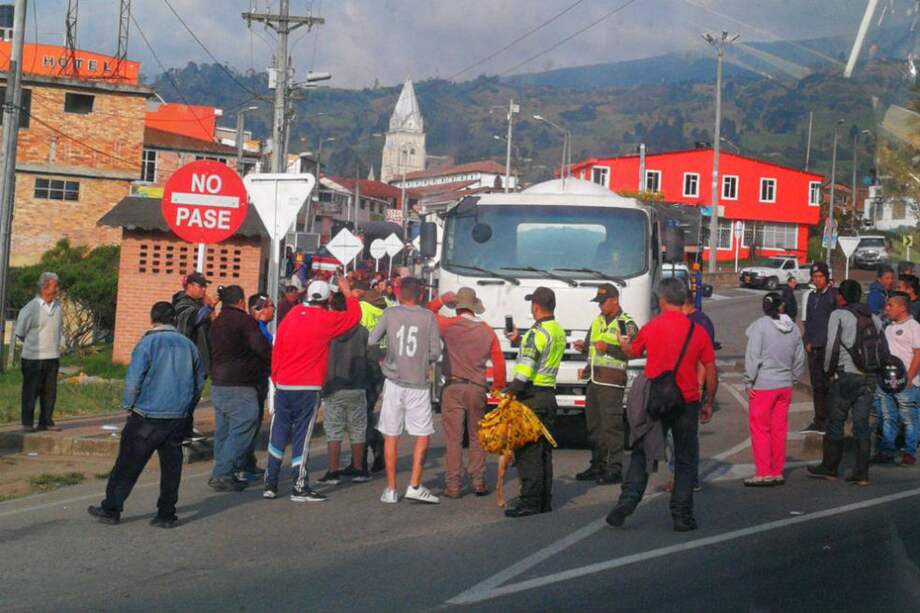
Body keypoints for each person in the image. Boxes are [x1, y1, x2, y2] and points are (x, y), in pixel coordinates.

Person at [606, 278, 717, 533]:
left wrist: (624, 345)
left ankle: (627, 502)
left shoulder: (652, 327)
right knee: (686, 459)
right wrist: (709, 401)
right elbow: (711, 370)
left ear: (662, 300)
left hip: (656, 399)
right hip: (687, 401)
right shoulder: (697, 331)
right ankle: (682, 516)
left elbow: (633, 352)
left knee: (642, 452)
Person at [87, 302, 204, 527]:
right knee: (171, 468)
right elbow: (199, 382)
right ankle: (166, 514)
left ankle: (112, 508)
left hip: (147, 416)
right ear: (174, 320)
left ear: (153, 320)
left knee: (127, 465)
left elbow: (133, 380)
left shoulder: (148, 343)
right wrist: (187, 407)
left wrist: (129, 404)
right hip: (177, 416)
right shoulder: (189, 346)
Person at [266, 277, 361, 502]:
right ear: (327, 300)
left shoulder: (292, 314)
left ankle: (270, 483)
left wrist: (276, 378)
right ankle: (299, 487)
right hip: (308, 387)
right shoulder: (326, 319)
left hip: (284, 383)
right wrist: (349, 294)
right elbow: (354, 316)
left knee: (278, 432)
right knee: (302, 436)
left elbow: (277, 348)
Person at [427, 287, 507, 498]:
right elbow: (499, 362)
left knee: (453, 439)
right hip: (477, 387)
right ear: (474, 307)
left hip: (453, 386)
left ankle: (453, 485)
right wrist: (498, 386)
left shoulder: (448, 325)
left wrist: (441, 300)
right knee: (476, 436)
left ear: (457, 307)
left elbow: (427, 314)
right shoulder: (487, 331)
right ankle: (478, 480)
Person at [369, 277, 442, 504]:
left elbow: (372, 340)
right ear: (420, 295)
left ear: (400, 295)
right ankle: (414, 485)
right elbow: (435, 352)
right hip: (417, 383)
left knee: (391, 434)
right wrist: (421, 360)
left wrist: (385, 358)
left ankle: (391, 489)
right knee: (422, 433)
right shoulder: (428, 317)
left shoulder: (390, 314)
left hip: (393, 381)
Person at [807, 280, 881, 485]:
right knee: (862, 425)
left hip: (846, 375)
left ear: (842, 297)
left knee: (835, 421)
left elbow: (831, 347)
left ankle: (830, 467)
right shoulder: (874, 318)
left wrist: (828, 372)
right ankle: (862, 473)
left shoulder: (839, 315)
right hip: (870, 377)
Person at [504, 287, 567, 518]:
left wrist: (511, 392)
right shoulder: (556, 330)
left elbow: (526, 369)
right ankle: (544, 501)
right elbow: (542, 353)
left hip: (532, 397)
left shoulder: (536, 333)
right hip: (548, 396)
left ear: (536, 307)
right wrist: (519, 340)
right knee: (543, 452)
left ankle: (530, 502)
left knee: (528, 453)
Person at [207, 286, 272, 492]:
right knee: (245, 425)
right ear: (241, 301)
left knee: (224, 431)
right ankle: (223, 472)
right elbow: (261, 347)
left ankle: (225, 469)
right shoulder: (244, 321)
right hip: (240, 383)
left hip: (219, 383)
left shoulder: (217, 322)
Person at [572, 283, 637, 485]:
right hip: (594, 380)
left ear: (615, 300)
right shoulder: (598, 321)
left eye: (603, 302)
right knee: (594, 426)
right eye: (598, 302)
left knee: (612, 427)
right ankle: (597, 464)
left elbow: (632, 352)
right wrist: (583, 348)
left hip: (611, 382)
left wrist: (608, 348)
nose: (600, 306)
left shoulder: (625, 324)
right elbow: (592, 348)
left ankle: (614, 468)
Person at [743, 293, 806, 486]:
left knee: (760, 429)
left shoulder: (760, 326)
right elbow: (800, 358)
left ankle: (763, 472)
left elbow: (753, 356)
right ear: (781, 306)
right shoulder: (793, 328)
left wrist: (748, 381)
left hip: (763, 384)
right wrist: (792, 378)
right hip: (784, 384)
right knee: (779, 429)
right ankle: (777, 471)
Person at [318, 292, 372, 484]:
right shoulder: (362, 331)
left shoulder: (328, 330)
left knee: (334, 430)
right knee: (358, 429)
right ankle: (358, 468)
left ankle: (333, 471)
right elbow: (370, 356)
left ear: (333, 307)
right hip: (358, 385)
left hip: (334, 384)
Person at [875, 292, 920, 465]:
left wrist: (910, 377)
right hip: (887, 382)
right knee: (888, 417)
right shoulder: (888, 327)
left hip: (907, 383)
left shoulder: (914, 327)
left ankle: (909, 451)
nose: (887, 308)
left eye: (890, 305)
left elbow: (918, 353)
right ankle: (887, 450)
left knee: (909, 418)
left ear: (902, 307)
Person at [14, 271, 63, 433]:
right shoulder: (30, 308)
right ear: (44, 287)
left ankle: (46, 421)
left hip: (52, 357)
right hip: (33, 358)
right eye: (55, 286)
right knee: (31, 391)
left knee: (50, 392)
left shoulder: (58, 307)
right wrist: (34, 346)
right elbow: (20, 332)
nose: (57, 289)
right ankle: (27, 423)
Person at [172, 272, 215, 443]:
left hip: (200, 359)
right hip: (187, 360)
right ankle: (179, 431)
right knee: (186, 397)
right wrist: (209, 307)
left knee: (194, 396)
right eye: (200, 286)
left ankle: (186, 429)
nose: (204, 289)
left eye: (205, 286)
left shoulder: (198, 304)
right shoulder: (182, 303)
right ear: (189, 286)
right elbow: (194, 318)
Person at [800, 262, 837, 435]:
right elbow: (807, 321)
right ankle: (819, 420)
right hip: (812, 347)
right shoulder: (811, 296)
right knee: (816, 385)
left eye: (821, 276)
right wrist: (807, 340)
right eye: (814, 277)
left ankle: (830, 421)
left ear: (826, 277)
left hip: (827, 348)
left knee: (828, 385)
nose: (817, 280)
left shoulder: (832, 296)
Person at [241, 293, 274, 479]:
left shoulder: (262, 329)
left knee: (254, 423)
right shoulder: (256, 330)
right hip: (253, 382)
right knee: (249, 423)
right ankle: (242, 465)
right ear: (259, 310)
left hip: (259, 381)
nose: (273, 310)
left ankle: (248, 462)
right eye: (269, 306)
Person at [360, 288, 388, 473]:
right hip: (381, 365)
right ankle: (365, 455)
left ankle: (365, 457)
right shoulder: (387, 310)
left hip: (365, 366)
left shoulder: (362, 308)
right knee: (365, 412)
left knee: (361, 414)